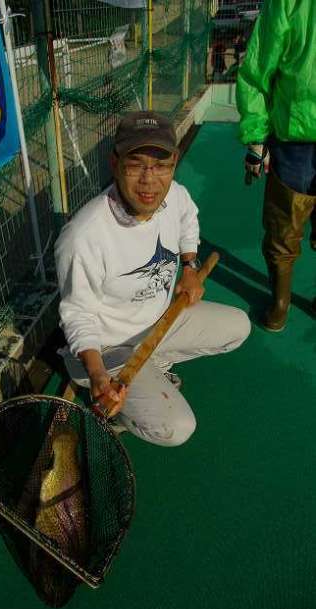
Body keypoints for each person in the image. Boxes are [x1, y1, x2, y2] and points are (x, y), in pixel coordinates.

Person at [55, 111, 251, 447]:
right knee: (176, 429)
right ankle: (119, 410)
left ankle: (153, 366)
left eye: (161, 165)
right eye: (136, 165)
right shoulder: (83, 236)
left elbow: (188, 219)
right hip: (109, 350)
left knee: (239, 327)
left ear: (174, 163)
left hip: (159, 324)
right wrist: (98, 373)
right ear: (115, 163)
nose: (149, 180)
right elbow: (77, 314)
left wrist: (190, 266)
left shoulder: (175, 195)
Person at [236, 0, 316, 331]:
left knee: (284, 228)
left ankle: (279, 307)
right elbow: (257, 73)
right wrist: (256, 138)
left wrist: (257, 141)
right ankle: (281, 304)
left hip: (295, 135)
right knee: (284, 225)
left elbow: (257, 72)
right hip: (295, 140)